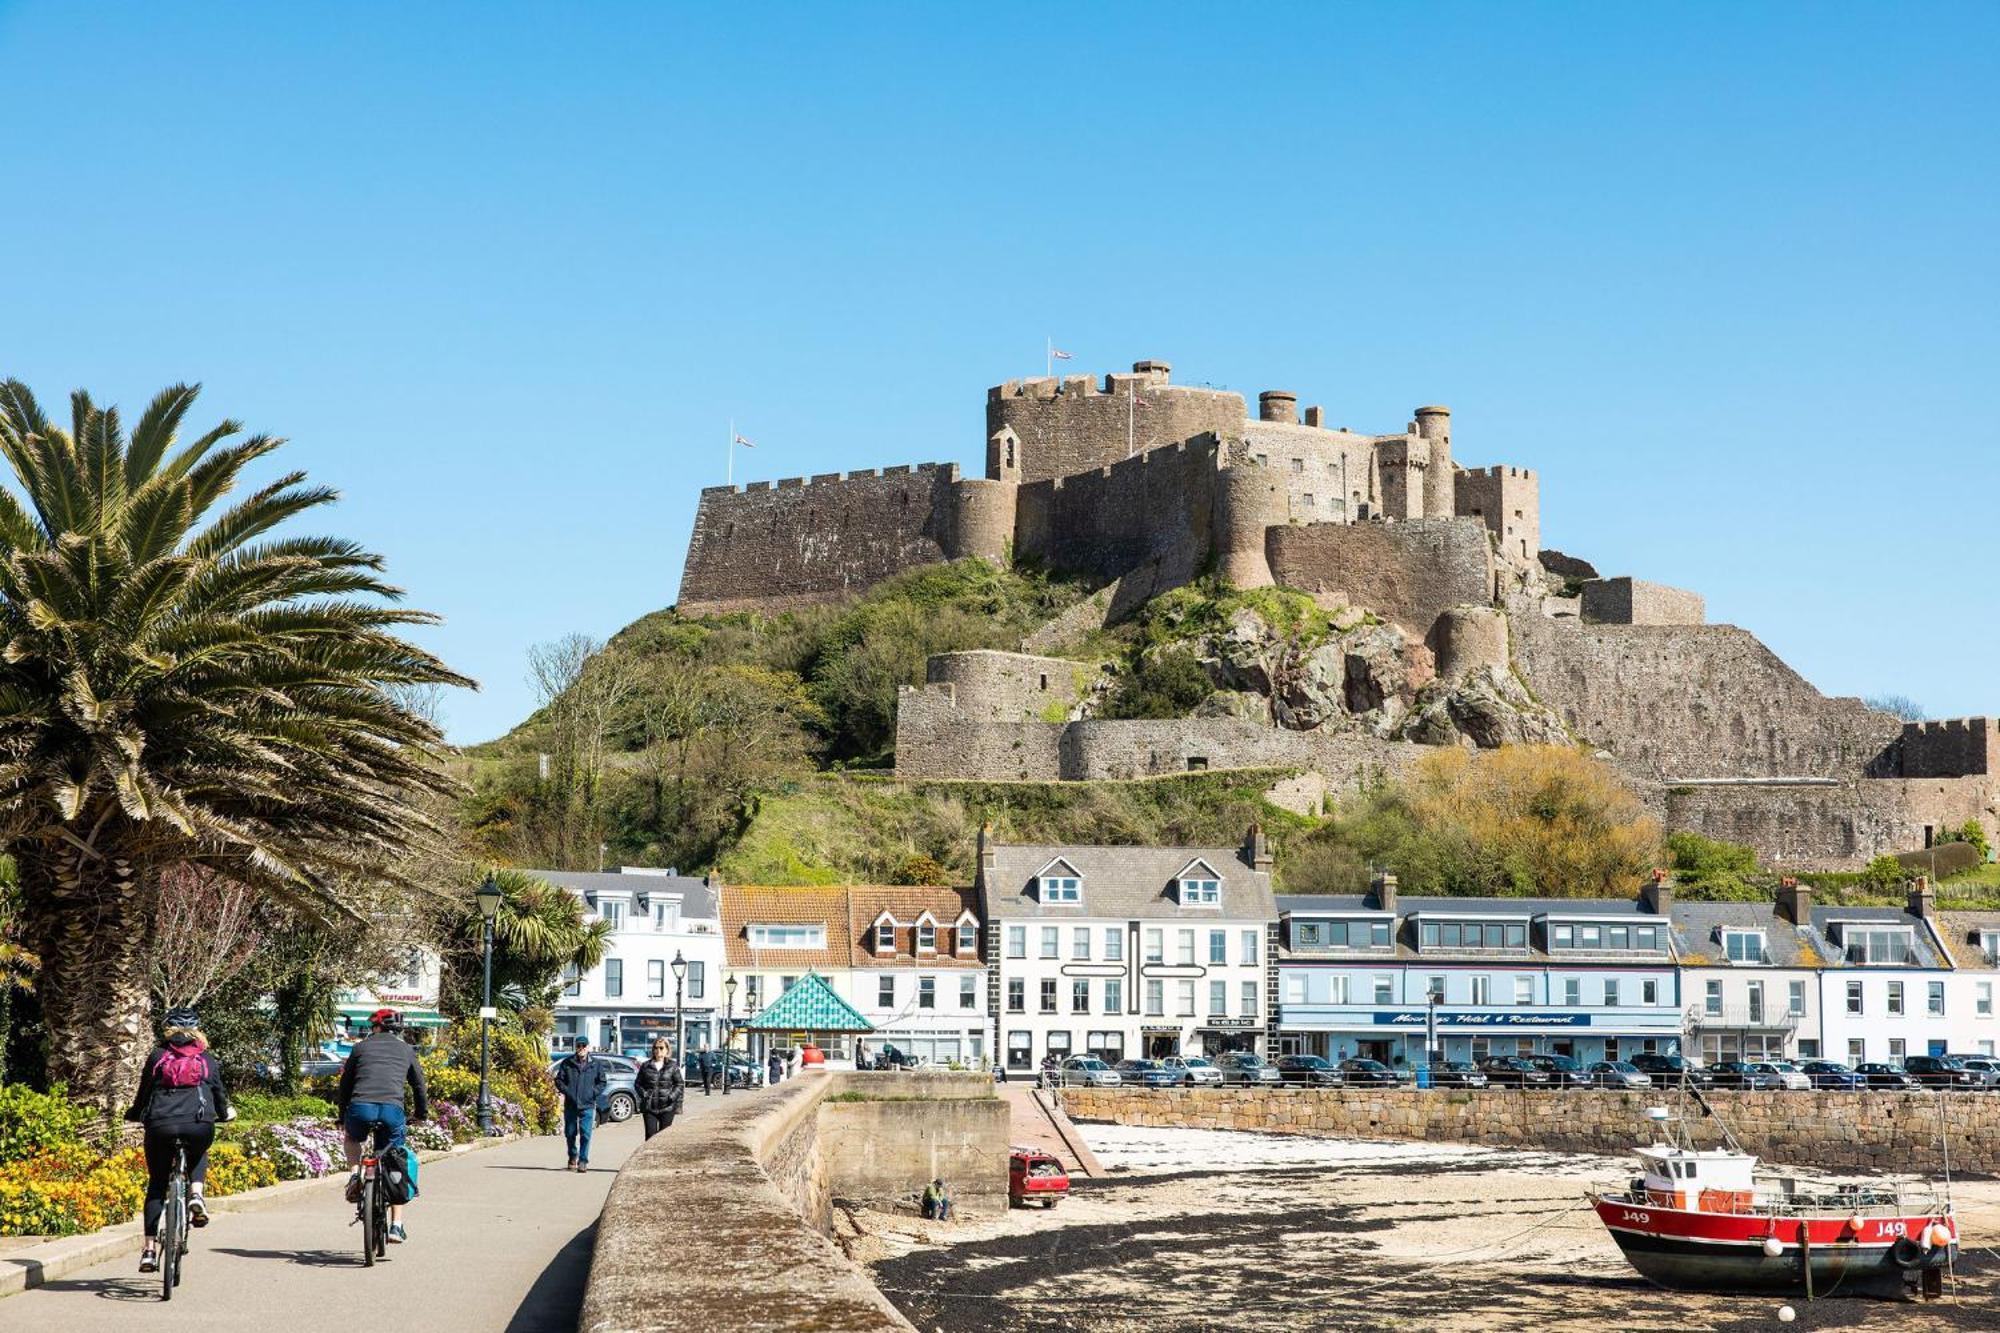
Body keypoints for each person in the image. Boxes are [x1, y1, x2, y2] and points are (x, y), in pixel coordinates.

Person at [126, 1008, 234, 1274]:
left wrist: (135, 1113)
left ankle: (149, 1251)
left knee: (157, 1185)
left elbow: (144, 1093)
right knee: (199, 1150)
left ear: (167, 1030)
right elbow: (218, 1093)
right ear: (198, 1030)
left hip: (160, 1125)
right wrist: (224, 1113)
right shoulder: (206, 1058)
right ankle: (196, 1193)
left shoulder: (157, 1056)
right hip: (198, 1123)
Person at [337, 1008, 429, 1243]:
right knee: (395, 1160)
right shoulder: (406, 1050)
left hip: (360, 1107)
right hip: (392, 1111)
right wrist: (421, 1115)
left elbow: (345, 1086)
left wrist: (342, 1116)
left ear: (376, 1027)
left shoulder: (360, 1048)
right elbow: (419, 1087)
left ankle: (355, 1174)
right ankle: (396, 1226)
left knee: (352, 1138)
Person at [552, 1035, 609, 1171]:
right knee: (570, 1133)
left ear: (588, 1047)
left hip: (588, 1104)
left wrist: (592, 1093)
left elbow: (602, 1082)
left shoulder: (596, 1064)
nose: (581, 1048)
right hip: (571, 1104)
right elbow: (559, 1080)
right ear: (575, 1047)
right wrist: (567, 1091)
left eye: (584, 1046)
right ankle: (573, 1155)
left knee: (586, 1134)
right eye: (579, 1046)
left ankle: (583, 1160)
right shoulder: (567, 1063)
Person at [635, 1037, 684, 1139]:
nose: (658, 1050)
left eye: (661, 1048)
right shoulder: (646, 1066)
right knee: (650, 1136)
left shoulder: (672, 1066)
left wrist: (671, 1096)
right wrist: (644, 1094)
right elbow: (637, 1084)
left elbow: (679, 1084)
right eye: (655, 1048)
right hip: (649, 1107)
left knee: (664, 1138)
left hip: (667, 1107)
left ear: (667, 1050)